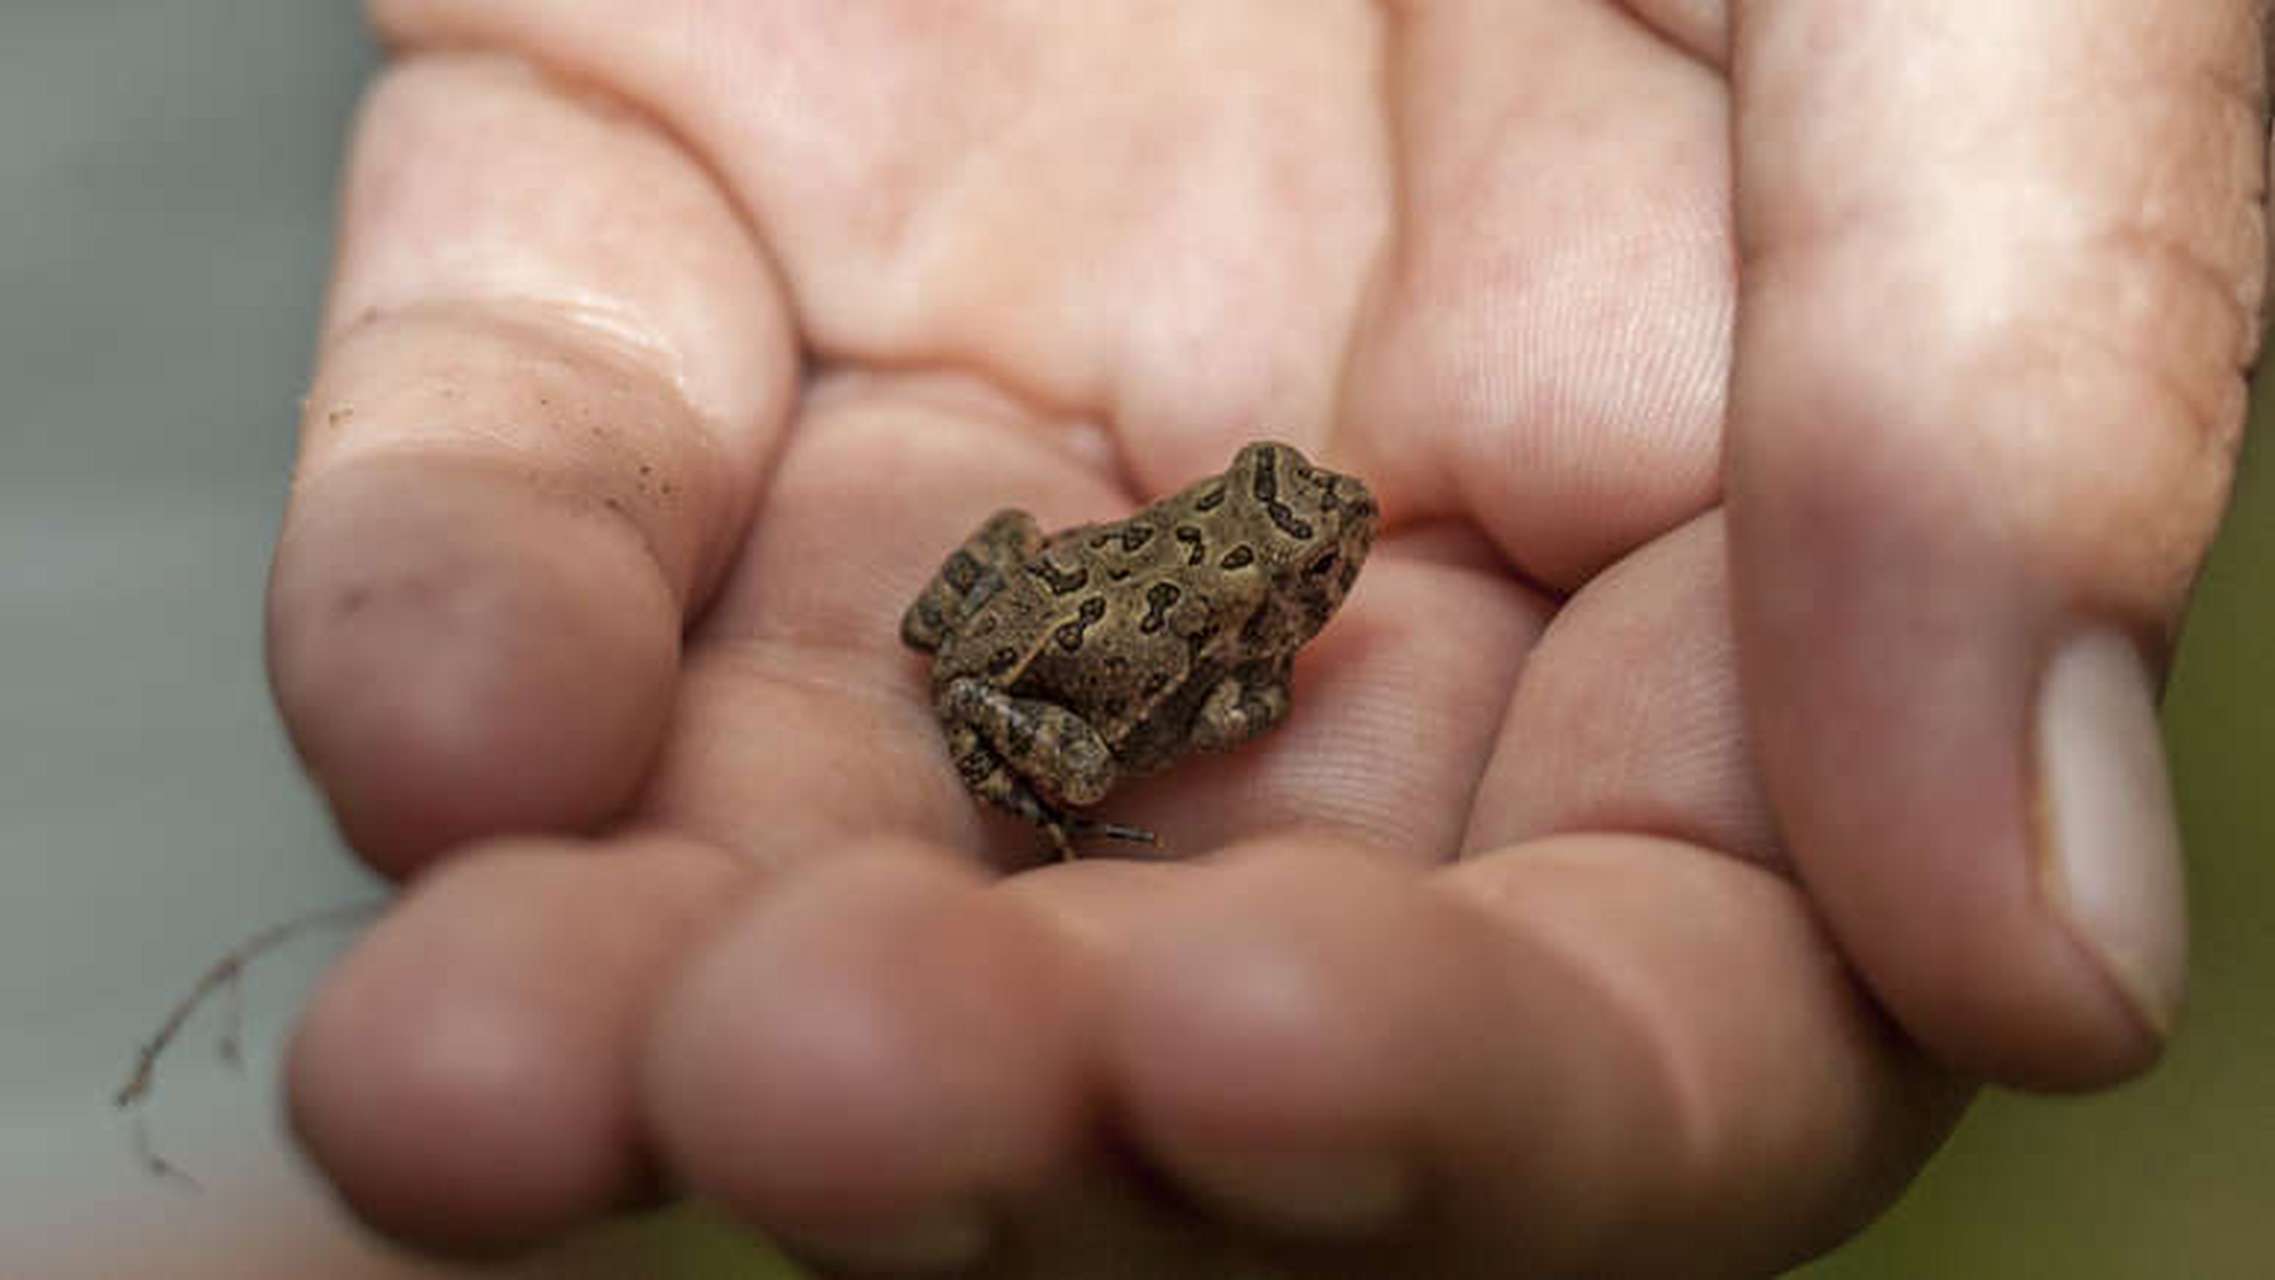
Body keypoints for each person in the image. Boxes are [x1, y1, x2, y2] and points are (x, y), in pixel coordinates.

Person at [267, 2, 2265, 1272]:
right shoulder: (1248, 644)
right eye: (1304, 563)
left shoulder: (1244, 557)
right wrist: (1151, 734)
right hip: (1040, 660)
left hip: (1030, 582)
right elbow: (1210, 703)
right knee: (493, 668)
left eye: (1310, 562)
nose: (1320, 583)